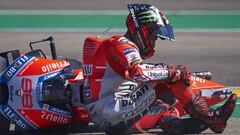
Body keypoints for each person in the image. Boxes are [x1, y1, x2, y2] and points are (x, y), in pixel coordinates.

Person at [82, 3, 237, 134]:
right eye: (154, 36)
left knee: (163, 108)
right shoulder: (121, 43)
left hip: (106, 116)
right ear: (143, 30)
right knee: (168, 77)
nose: (154, 42)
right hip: (111, 111)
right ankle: (211, 117)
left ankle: (181, 122)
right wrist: (173, 72)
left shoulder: (115, 47)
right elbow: (139, 73)